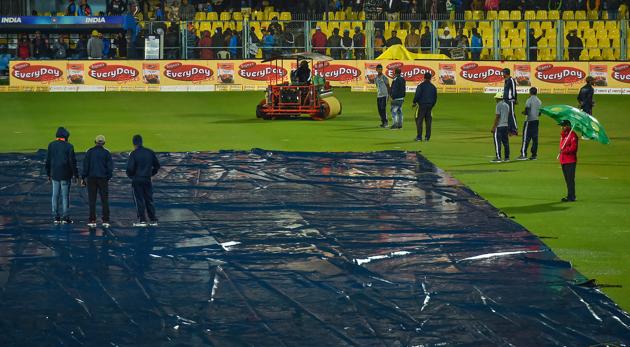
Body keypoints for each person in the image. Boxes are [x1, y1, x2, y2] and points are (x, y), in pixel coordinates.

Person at [46, 127, 79, 224]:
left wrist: (48, 173)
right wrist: (75, 175)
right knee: (65, 196)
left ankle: (56, 217)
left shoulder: (51, 145)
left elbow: (48, 160)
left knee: (55, 195)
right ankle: (66, 217)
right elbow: (72, 162)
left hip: (54, 174)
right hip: (65, 174)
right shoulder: (69, 146)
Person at [126, 135, 160, 227]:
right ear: (142, 142)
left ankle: (142, 220)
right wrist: (151, 174)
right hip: (147, 179)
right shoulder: (150, 152)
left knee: (139, 200)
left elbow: (129, 168)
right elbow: (157, 166)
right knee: (149, 199)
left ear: (134, 143)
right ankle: (153, 219)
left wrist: (132, 177)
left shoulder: (133, 154)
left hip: (137, 179)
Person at [82, 135, 113, 228]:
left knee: (92, 200)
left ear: (95, 142)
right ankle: (106, 220)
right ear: (104, 143)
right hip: (103, 178)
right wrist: (107, 177)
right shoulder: (106, 153)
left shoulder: (89, 152)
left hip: (91, 178)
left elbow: (85, 166)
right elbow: (110, 168)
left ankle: (92, 220)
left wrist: (83, 177)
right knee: (104, 200)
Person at [517, 87, 542, 160]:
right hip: (536, 121)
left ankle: (523, 154)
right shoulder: (539, 101)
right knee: (535, 139)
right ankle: (534, 155)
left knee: (525, 138)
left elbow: (527, 111)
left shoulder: (529, 100)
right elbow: (539, 113)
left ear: (530, 92)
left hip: (529, 121)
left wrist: (524, 112)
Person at [412, 72, 438, 142]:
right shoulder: (433, 87)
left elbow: (417, 95)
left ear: (424, 78)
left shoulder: (420, 86)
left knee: (419, 121)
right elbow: (435, 98)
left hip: (422, 105)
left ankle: (419, 137)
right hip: (430, 106)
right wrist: (432, 105)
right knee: (428, 122)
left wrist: (414, 102)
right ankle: (427, 137)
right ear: (430, 78)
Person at [559, 120, 578, 202]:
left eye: (564, 126)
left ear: (568, 126)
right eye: (562, 126)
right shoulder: (564, 135)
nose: (562, 127)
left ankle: (572, 196)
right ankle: (569, 195)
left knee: (570, 180)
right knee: (567, 180)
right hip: (563, 161)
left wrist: (564, 151)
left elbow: (574, 149)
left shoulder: (573, 135)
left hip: (570, 161)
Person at [491, 92, 511, 162]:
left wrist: (494, 127)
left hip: (499, 127)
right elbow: (508, 116)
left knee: (497, 142)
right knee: (506, 142)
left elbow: (497, 116)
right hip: (506, 126)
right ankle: (507, 157)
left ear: (498, 98)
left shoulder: (498, 105)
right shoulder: (507, 105)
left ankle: (498, 157)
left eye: (496, 98)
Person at [502, 68, 518, 136]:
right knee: (507, 115)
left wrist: (514, 99)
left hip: (510, 100)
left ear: (506, 73)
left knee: (511, 114)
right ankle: (509, 129)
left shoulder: (511, 80)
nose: (502, 74)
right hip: (505, 100)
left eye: (503, 73)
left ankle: (514, 129)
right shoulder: (506, 80)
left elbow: (514, 90)